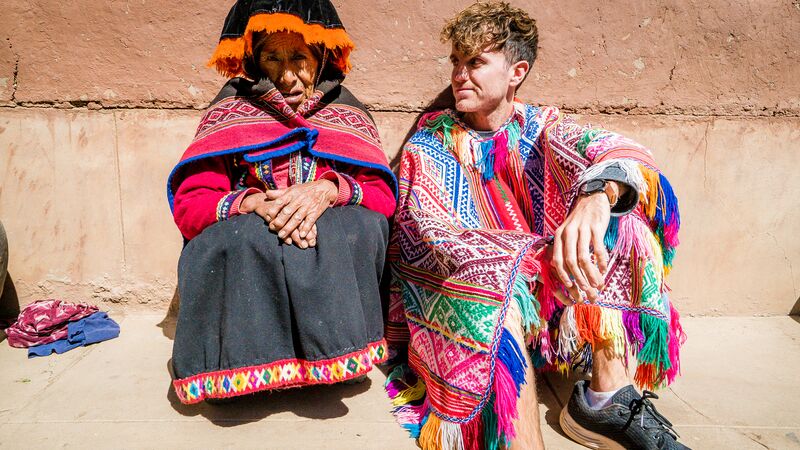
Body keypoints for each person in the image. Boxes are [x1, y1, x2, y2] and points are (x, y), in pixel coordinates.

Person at [384, 2, 688, 449]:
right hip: (479, 307)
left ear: (516, 72)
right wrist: (531, 258)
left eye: (475, 62)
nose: (460, 75)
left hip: (557, 306)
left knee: (625, 226)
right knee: (493, 282)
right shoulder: (433, 138)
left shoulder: (542, 125)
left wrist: (595, 198)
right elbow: (430, 235)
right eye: (456, 61)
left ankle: (606, 399)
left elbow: (618, 149)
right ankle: (520, 439)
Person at [166, 0, 397, 404]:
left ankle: (330, 355)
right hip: (253, 237)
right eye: (272, 58)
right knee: (238, 237)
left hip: (325, 240)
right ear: (254, 61)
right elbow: (191, 205)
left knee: (357, 225)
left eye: (299, 59)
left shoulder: (346, 112)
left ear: (322, 58)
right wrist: (252, 203)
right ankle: (241, 365)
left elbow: (381, 196)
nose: (288, 77)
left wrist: (328, 190)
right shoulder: (232, 111)